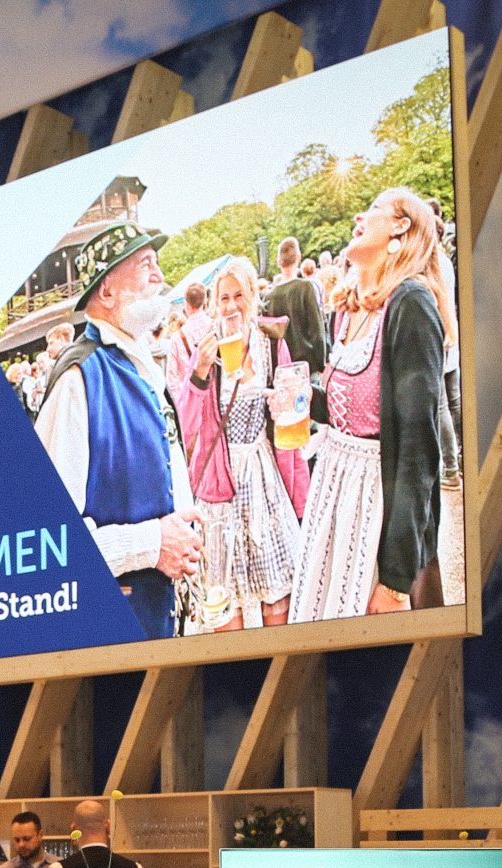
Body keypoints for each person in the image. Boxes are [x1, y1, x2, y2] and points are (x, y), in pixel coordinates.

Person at [32, 197, 203, 642]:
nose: (161, 276)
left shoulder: (140, 361)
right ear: (106, 292)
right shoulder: (77, 379)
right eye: (146, 264)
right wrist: (153, 545)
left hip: (158, 614)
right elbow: (49, 541)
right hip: (111, 631)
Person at [290, 190, 455, 621]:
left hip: (374, 507)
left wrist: (397, 581)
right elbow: (352, 410)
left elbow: (419, 451)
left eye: (376, 209)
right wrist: (307, 400)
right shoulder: (345, 313)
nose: (360, 216)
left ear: (401, 227)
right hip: (334, 494)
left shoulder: (411, 305)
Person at [169, 255, 303, 633]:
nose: (231, 306)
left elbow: (295, 411)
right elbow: (185, 424)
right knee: (224, 606)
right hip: (220, 487)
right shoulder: (206, 350)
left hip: (264, 478)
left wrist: (288, 403)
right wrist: (197, 375)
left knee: (279, 600)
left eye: (238, 296)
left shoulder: (271, 344)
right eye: (223, 298)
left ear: (253, 297)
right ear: (213, 304)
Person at [265, 235, 333, 426]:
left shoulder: (269, 296)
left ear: (279, 261)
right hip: (306, 367)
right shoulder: (306, 288)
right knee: (310, 424)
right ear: (299, 257)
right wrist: (321, 363)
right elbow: (317, 331)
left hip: (282, 370)